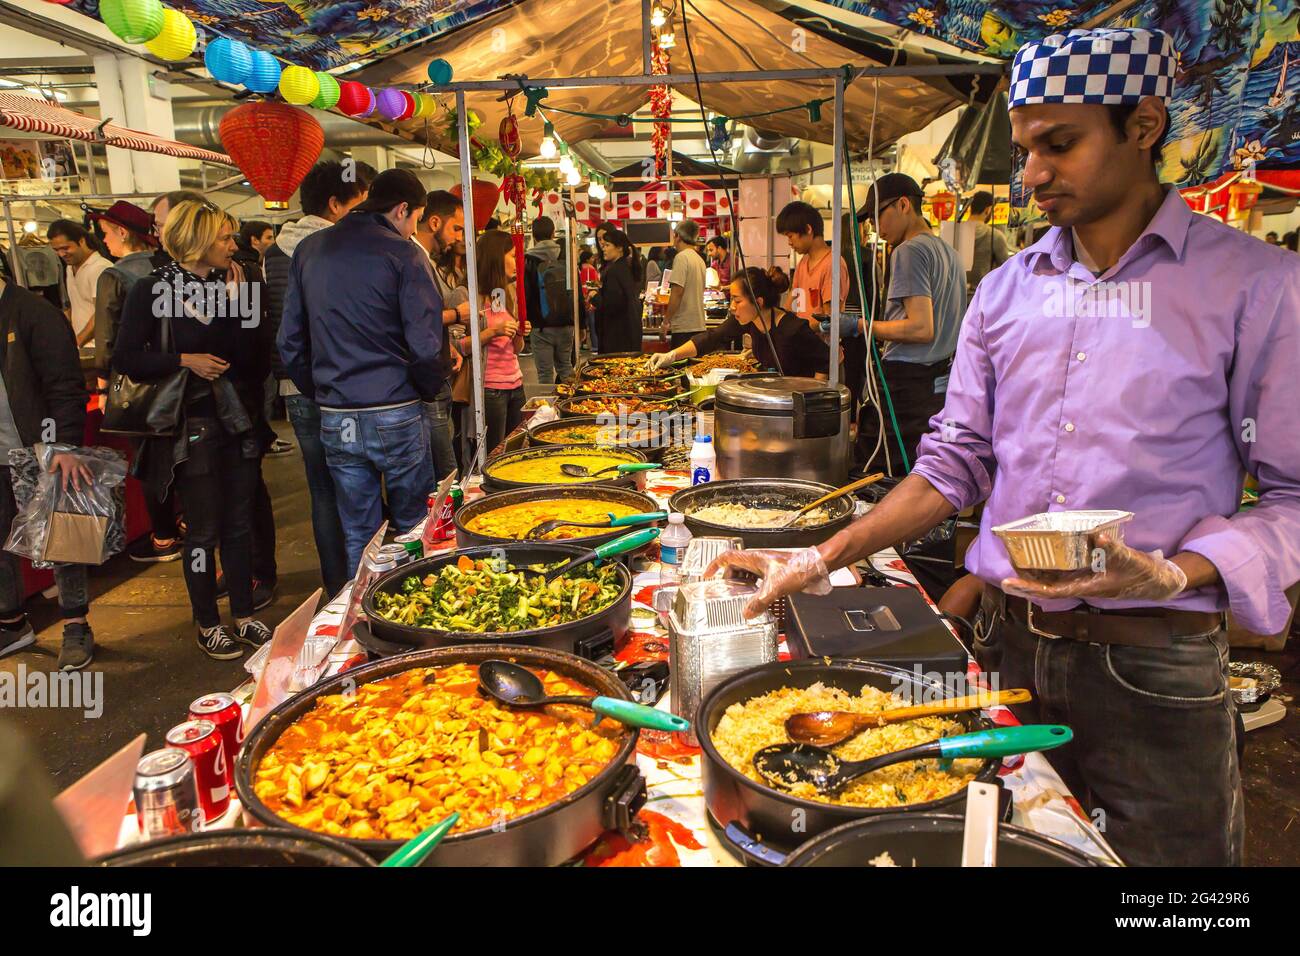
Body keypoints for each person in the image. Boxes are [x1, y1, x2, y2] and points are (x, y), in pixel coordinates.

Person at [711, 27, 1300, 867]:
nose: (1031, 175)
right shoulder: (1005, 291)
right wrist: (817, 557)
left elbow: (1291, 495)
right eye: (1025, 149)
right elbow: (952, 466)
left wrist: (1176, 571)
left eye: (1059, 145)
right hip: (1009, 643)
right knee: (999, 854)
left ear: (1143, 127)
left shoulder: (1253, 286)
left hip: (1156, 666)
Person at [115, 200, 272, 660]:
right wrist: (184, 360)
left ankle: (243, 614)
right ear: (199, 240)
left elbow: (254, 363)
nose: (232, 245)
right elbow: (126, 358)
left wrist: (246, 307)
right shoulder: (151, 289)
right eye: (224, 237)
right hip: (192, 423)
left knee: (239, 525)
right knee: (203, 530)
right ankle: (207, 621)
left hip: (238, 419)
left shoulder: (236, 285)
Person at [278, 169, 444, 575]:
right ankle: (413, 618)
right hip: (396, 410)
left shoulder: (310, 250)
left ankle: (360, 624)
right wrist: (425, 389)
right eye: (417, 219)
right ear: (403, 209)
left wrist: (324, 393)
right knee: (413, 527)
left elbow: (289, 342)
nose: (414, 229)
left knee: (358, 530)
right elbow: (426, 345)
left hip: (338, 416)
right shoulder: (404, 254)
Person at [262, 160, 373, 596]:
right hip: (339, 387)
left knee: (323, 491)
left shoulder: (273, 254)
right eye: (362, 205)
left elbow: (283, 333)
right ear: (334, 204)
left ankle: (336, 589)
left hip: (298, 386)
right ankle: (368, 583)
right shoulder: (336, 251)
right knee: (357, 486)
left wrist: (305, 382)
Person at [0, 277, 95, 670]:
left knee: (61, 537)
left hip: (37, 447)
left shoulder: (34, 313)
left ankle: (76, 624)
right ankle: (10, 620)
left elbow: (64, 385)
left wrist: (62, 444)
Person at [855, 173, 966, 474]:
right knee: (921, 469)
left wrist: (863, 327)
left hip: (905, 384)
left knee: (880, 472)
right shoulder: (951, 254)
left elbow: (920, 328)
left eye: (877, 217)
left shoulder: (908, 251)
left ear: (903, 205)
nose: (875, 229)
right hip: (937, 383)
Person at [650, 267, 828, 379]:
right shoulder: (748, 320)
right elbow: (712, 337)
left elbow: (826, 359)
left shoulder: (792, 329)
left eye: (737, 300)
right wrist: (672, 355)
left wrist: (808, 400)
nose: (732, 307)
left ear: (758, 302)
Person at [414, 190, 470, 482]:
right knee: (444, 474)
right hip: (426, 381)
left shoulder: (425, 259)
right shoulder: (410, 257)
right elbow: (415, 319)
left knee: (444, 467)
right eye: (456, 228)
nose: (459, 237)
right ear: (434, 222)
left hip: (437, 371)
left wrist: (447, 343)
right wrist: (458, 315)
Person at [460, 229, 525, 454]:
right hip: (490, 388)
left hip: (516, 384)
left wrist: (519, 333)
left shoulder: (505, 292)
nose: (517, 262)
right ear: (497, 257)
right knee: (493, 453)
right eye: (512, 255)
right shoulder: (468, 295)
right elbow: (459, 346)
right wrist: (491, 332)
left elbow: (515, 349)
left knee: (516, 449)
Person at [90, 201, 159, 385]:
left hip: (132, 376)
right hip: (170, 369)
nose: (104, 240)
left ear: (122, 233)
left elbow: (107, 335)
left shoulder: (113, 276)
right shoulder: (167, 266)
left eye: (105, 233)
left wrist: (103, 382)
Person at [777, 201, 849, 329]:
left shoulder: (832, 264)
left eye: (790, 236)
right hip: (801, 344)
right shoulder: (803, 263)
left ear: (808, 229)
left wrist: (799, 329)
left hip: (822, 347)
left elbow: (830, 320)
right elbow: (791, 304)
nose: (789, 242)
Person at [522, 215, 574, 386]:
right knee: (566, 368)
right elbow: (575, 290)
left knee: (544, 375)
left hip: (541, 325)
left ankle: (548, 411)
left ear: (534, 236)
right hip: (566, 323)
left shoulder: (528, 260)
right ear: (553, 233)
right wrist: (580, 323)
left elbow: (526, 294)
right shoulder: (565, 256)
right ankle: (573, 406)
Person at [47, 220, 110, 349]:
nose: (61, 254)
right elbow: (75, 305)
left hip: (98, 348)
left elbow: (102, 312)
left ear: (81, 241)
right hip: (82, 347)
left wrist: (78, 341)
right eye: (56, 250)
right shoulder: (70, 268)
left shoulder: (100, 268)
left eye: (65, 248)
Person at [589, 226, 643, 353]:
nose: (603, 249)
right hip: (628, 330)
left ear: (619, 248)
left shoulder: (614, 271)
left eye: (607, 245)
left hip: (617, 335)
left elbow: (612, 305)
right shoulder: (626, 267)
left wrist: (594, 296)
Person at [662, 220, 707, 349]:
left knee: (680, 367)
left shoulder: (681, 258)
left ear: (678, 237)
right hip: (698, 324)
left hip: (684, 326)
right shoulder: (699, 259)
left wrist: (666, 322)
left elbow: (677, 293)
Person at [965, 191, 1011, 294]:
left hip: (956, 298)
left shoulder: (954, 233)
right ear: (988, 210)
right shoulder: (995, 236)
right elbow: (1006, 271)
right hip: (982, 297)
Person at [578, 248, 601, 352]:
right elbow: (593, 284)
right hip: (589, 297)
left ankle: (583, 343)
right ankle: (595, 346)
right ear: (587, 259)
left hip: (581, 297)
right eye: (591, 257)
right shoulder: (590, 269)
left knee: (583, 322)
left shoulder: (579, 268)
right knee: (592, 324)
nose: (593, 259)